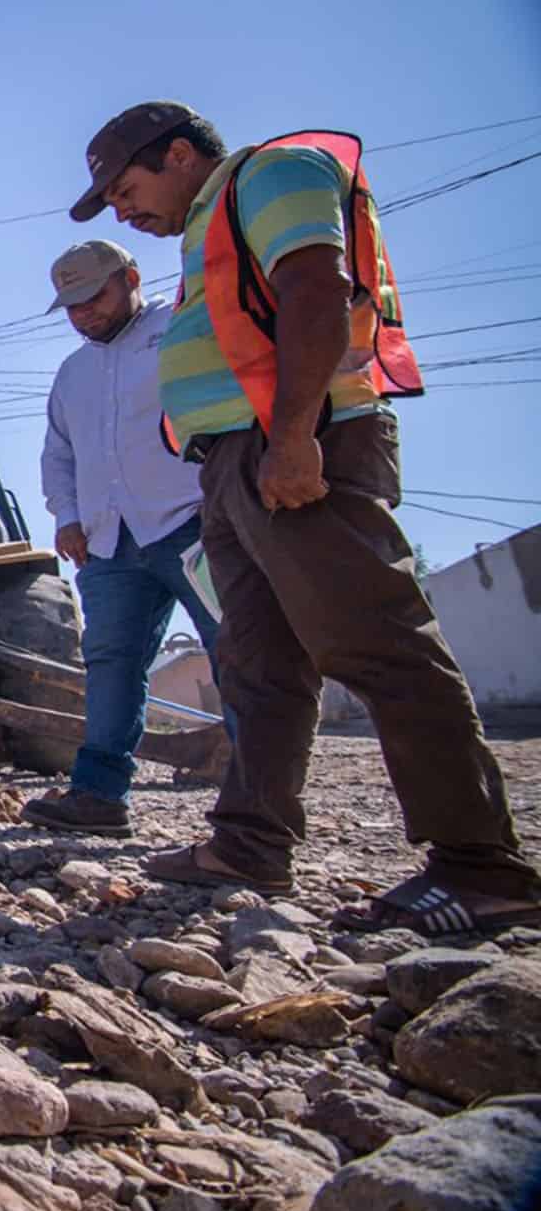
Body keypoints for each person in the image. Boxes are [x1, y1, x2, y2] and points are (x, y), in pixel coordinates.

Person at [68, 100, 540, 931]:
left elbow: (317, 290)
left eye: (124, 187)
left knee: (376, 640)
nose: (121, 208)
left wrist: (291, 435)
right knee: (258, 664)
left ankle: (479, 863)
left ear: (178, 154)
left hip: (291, 445)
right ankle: (249, 840)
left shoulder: (272, 175)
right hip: (230, 464)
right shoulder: (205, 226)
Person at [24, 239, 222, 835]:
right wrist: (67, 516)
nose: (84, 314)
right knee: (111, 664)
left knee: (237, 653)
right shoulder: (72, 374)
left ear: (130, 277)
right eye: (72, 307)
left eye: (94, 298)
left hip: (194, 527)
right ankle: (99, 797)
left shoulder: (183, 330)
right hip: (109, 545)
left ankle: (255, 805)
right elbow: (59, 454)